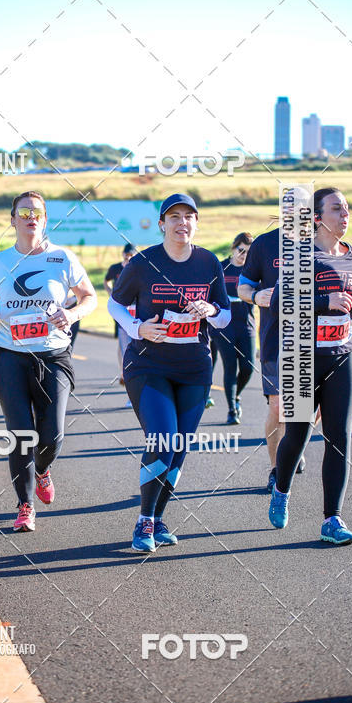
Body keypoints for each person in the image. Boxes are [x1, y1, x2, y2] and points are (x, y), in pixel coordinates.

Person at [0, 191, 97, 532]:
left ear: (45, 220)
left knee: (52, 435)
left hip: (53, 355)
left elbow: (89, 297)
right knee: (21, 435)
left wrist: (72, 314)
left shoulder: (63, 258)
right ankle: (25, 505)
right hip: (10, 356)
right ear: (13, 219)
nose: (31, 217)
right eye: (24, 212)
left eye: (37, 212)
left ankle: (43, 469)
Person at [108, 194, 231, 553]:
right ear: (162, 223)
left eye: (189, 216)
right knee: (162, 438)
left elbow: (224, 315)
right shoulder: (145, 261)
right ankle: (144, 522)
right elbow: (116, 302)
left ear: (196, 222)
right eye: (174, 216)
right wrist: (136, 328)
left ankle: (159, 518)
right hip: (148, 365)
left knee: (178, 448)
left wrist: (209, 308)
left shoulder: (208, 262)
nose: (182, 222)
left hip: (194, 368)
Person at [269, 187, 352, 544]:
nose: (345, 214)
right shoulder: (302, 254)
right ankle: (282, 488)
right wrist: (322, 300)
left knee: (339, 438)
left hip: (343, 354)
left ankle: (332, 519)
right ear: (316, 217)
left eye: (347, 208)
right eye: (336, 208)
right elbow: (279, 302)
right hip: (302, 356)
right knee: (297, 434)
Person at [238, 204, 306, 491]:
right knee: (279, 406)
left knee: (307, 408)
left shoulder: (320, 242)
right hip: (275, 339)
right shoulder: (265, 244)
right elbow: (242, 287)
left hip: (315, 342)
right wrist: (255, 296)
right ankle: (277, 469)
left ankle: (294, 445)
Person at [210, 233, 255, 424]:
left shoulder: (252, 270)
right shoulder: (220, 267)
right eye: (241, 250)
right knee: (230, 366)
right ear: (233, 248)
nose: (243, 254)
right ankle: (231, 411)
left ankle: (236, 396)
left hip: (246, 324)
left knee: (248, 367)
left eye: (247, 252)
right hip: (223, 326)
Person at [105, 243, 137, 386]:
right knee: (122, 340)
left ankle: (132, 370)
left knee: (134, 339)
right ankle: (123, 371)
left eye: (131, 254)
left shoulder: (138, 267)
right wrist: (111, 293)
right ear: (123, 254)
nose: (128, 256)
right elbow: (106, 281)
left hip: (136, 308)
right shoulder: (116, 268)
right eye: (127, 254)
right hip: (120, 308)